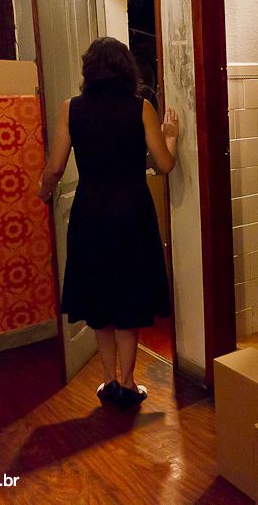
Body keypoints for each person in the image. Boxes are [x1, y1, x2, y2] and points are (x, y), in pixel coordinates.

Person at [38, 36, 179, 411]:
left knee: (99, 293)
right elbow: (165, 164)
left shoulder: (71, 109)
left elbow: (55, 167)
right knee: (129, 293)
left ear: (89, 70)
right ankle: (129, 383)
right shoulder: (141, 108)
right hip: (132, 211)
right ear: (126, 70)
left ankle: (109, 379)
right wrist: (171, 137)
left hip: (91, 211)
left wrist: (43, 189)